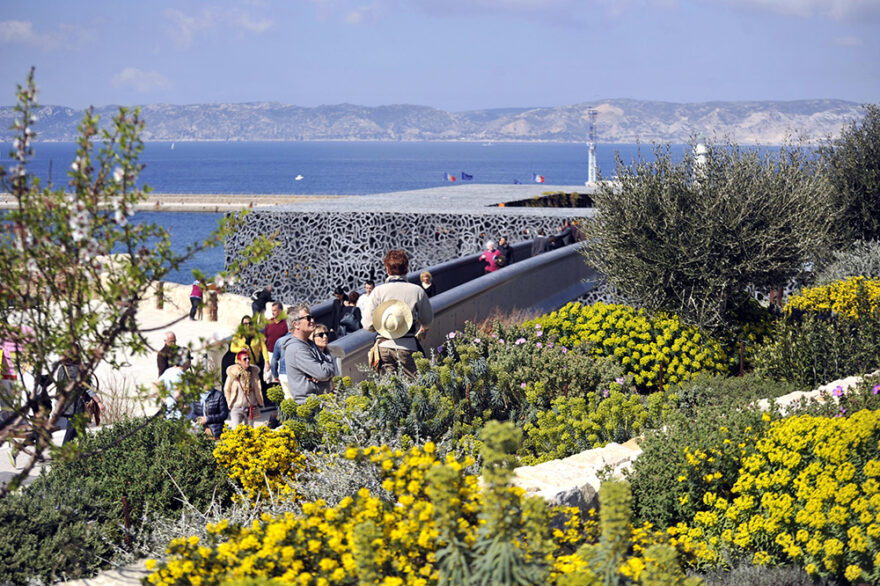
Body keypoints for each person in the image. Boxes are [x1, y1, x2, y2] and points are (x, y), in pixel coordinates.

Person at [361, 249, 433, 378]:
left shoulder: (378, 292)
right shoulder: (417, 291)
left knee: (388, 387)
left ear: (387, 269)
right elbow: (427, 321)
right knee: (413, 385)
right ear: (406, 268)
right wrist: (421, 330)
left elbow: (367, 324)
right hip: (408, 345)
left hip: (383, 346)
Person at [282, 304, 337, 404]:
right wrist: (322, 370)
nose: (312, 320)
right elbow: (323, 374)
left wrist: (322, 371)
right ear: (296, 324)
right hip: (308, 405)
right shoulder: (297, 349)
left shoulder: (310, 344)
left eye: (312, 317)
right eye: (308, 318)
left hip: (320, 400)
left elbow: (330, 369)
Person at [54, 355, 106, 445]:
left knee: (78, 430)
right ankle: (65, 450)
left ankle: (85, 448)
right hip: (77, 404)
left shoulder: (62, 368)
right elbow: (88, 388)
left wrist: (58, 404)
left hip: (66, 404)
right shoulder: (77, 369)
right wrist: (99, 402)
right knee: (72, 430)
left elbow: (59, 388)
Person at [223, 349, 263, 427]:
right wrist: (229, 402)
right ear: (239, 361)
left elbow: (257, 388)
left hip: (251, 407)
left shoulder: (253, 373)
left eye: (249, 359)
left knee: (250, 430)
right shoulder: (233, 373)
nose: (247, 361)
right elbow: (226, 389)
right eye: (245, 359)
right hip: (237, 407)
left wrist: (258, 401)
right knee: (236, 429)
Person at [157, 350, 191, 419]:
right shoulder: (181, 375)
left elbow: (156, 383)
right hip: (180, 417)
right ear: (186, 361)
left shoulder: (169, 371)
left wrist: (165, 399)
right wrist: (184, 407)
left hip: (170, 414)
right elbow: (177, 395)